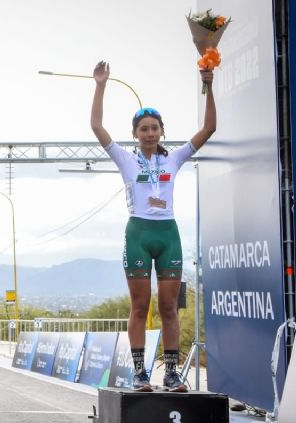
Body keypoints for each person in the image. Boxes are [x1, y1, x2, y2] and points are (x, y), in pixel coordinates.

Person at [90, 61, 216, 392]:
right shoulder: (126, 159)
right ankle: (139, 372)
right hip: (139, 235)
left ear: (162, 131)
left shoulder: (172, 158)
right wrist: (101, 85)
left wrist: (208, 84)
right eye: (143, 128)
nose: (149, 133)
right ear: (134, 134)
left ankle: (172, 373)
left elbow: (209, 129)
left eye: (154, 128)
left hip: (168, 234)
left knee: (169, 308)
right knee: (140, 307)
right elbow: (97, 126)